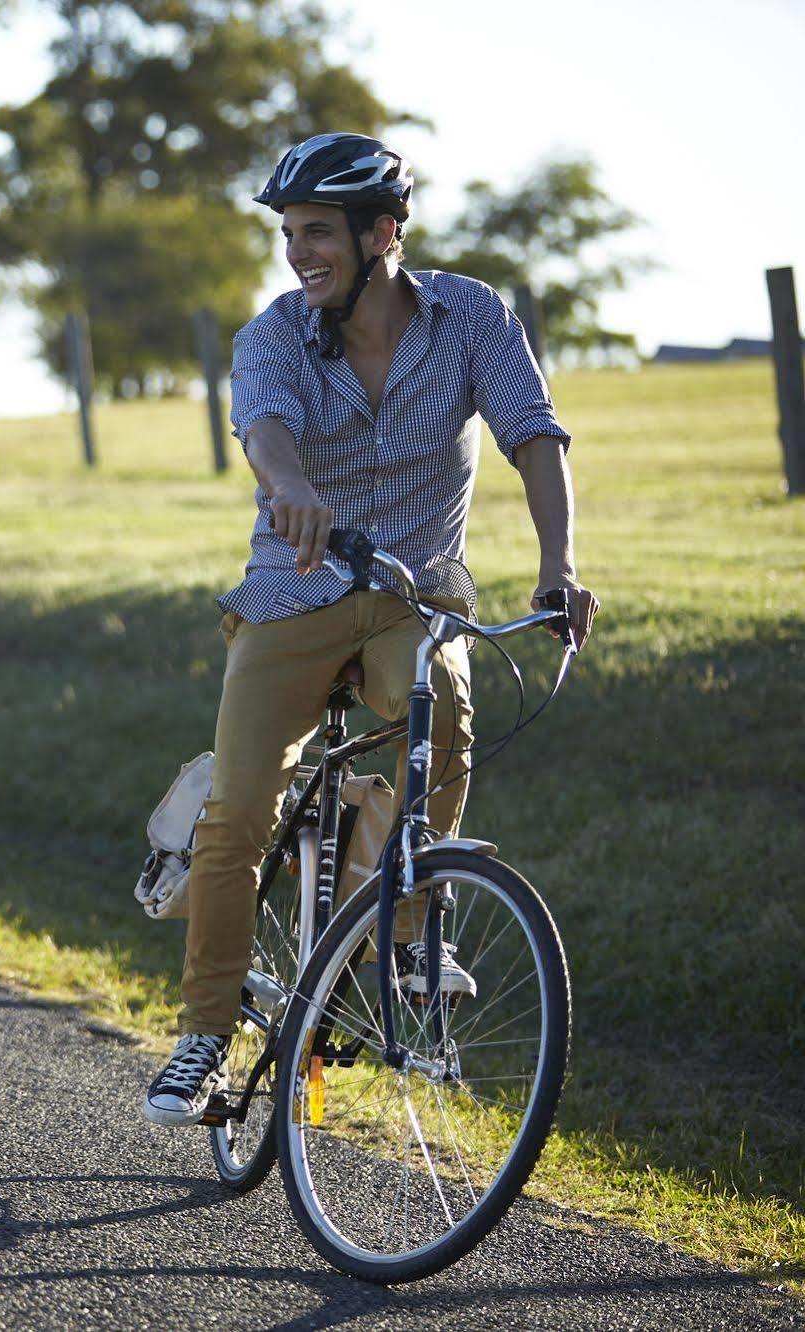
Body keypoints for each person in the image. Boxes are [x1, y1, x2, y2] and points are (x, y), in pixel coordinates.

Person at [142, 132, 600, 1126]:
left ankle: (411, 929)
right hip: (291, 589)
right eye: (289, 234)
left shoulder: (472, 317)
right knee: (238, 816)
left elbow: (532, 435)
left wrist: (559, 565)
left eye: (318, 234)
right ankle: (203, 1038)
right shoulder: (272, 335)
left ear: (381, 232)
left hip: (412, 590)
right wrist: (293, 487)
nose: (299, 253)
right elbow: (264, 430)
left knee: (440, 714)